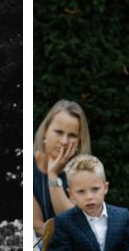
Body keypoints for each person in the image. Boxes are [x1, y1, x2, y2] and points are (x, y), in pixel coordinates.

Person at [32, 100, 90, 236]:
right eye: (58, 132)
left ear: (79, 141)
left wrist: (53, 175)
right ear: (45, 131)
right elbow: (39, 227)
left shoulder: (83, 174)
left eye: (72, 135)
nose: (64, 141)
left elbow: (78, 227)